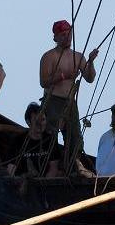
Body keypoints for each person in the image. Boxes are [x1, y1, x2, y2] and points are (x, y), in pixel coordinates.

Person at [38, 19, 98, 171]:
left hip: (70, 102)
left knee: (74, 137)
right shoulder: (49, 56)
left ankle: (73, 168)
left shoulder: (78, 56)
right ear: (56, 37)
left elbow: (90, 78)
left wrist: (90, 62)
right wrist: (63, 76)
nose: (67, 37)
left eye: (69, 34)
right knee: (50, 136)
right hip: (52, 101)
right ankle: (50, 167)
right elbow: (44, 82)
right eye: (63, 34)